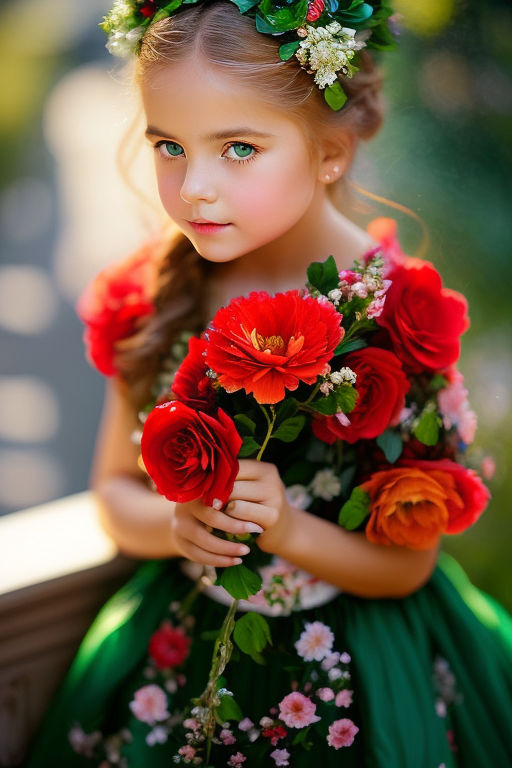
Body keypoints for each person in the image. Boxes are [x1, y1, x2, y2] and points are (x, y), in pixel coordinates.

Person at [24, 2, 512, 767]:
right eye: (169, 146)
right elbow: (115, 492)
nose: (195, 189)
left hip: (357, 671)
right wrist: (172, 524)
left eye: (240, 149)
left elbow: (408, 563)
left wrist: (288, 531)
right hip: (185, 659)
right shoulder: (154, 293)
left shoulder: (397, 312)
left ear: (332, 151)